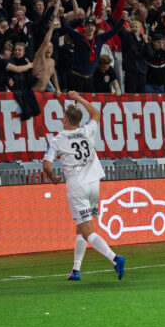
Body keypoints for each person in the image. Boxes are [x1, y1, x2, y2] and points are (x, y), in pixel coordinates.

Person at [42, 91, 125, 282]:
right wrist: (78, 98)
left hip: (78, 187)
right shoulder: (87, 130)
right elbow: (96, 113)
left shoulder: (58, 140)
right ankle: (76, 270)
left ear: (65, 119)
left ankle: (115, 258)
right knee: (82, 226)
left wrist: (53, 178)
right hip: (94, 184)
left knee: (87, 231)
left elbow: (46, 165)